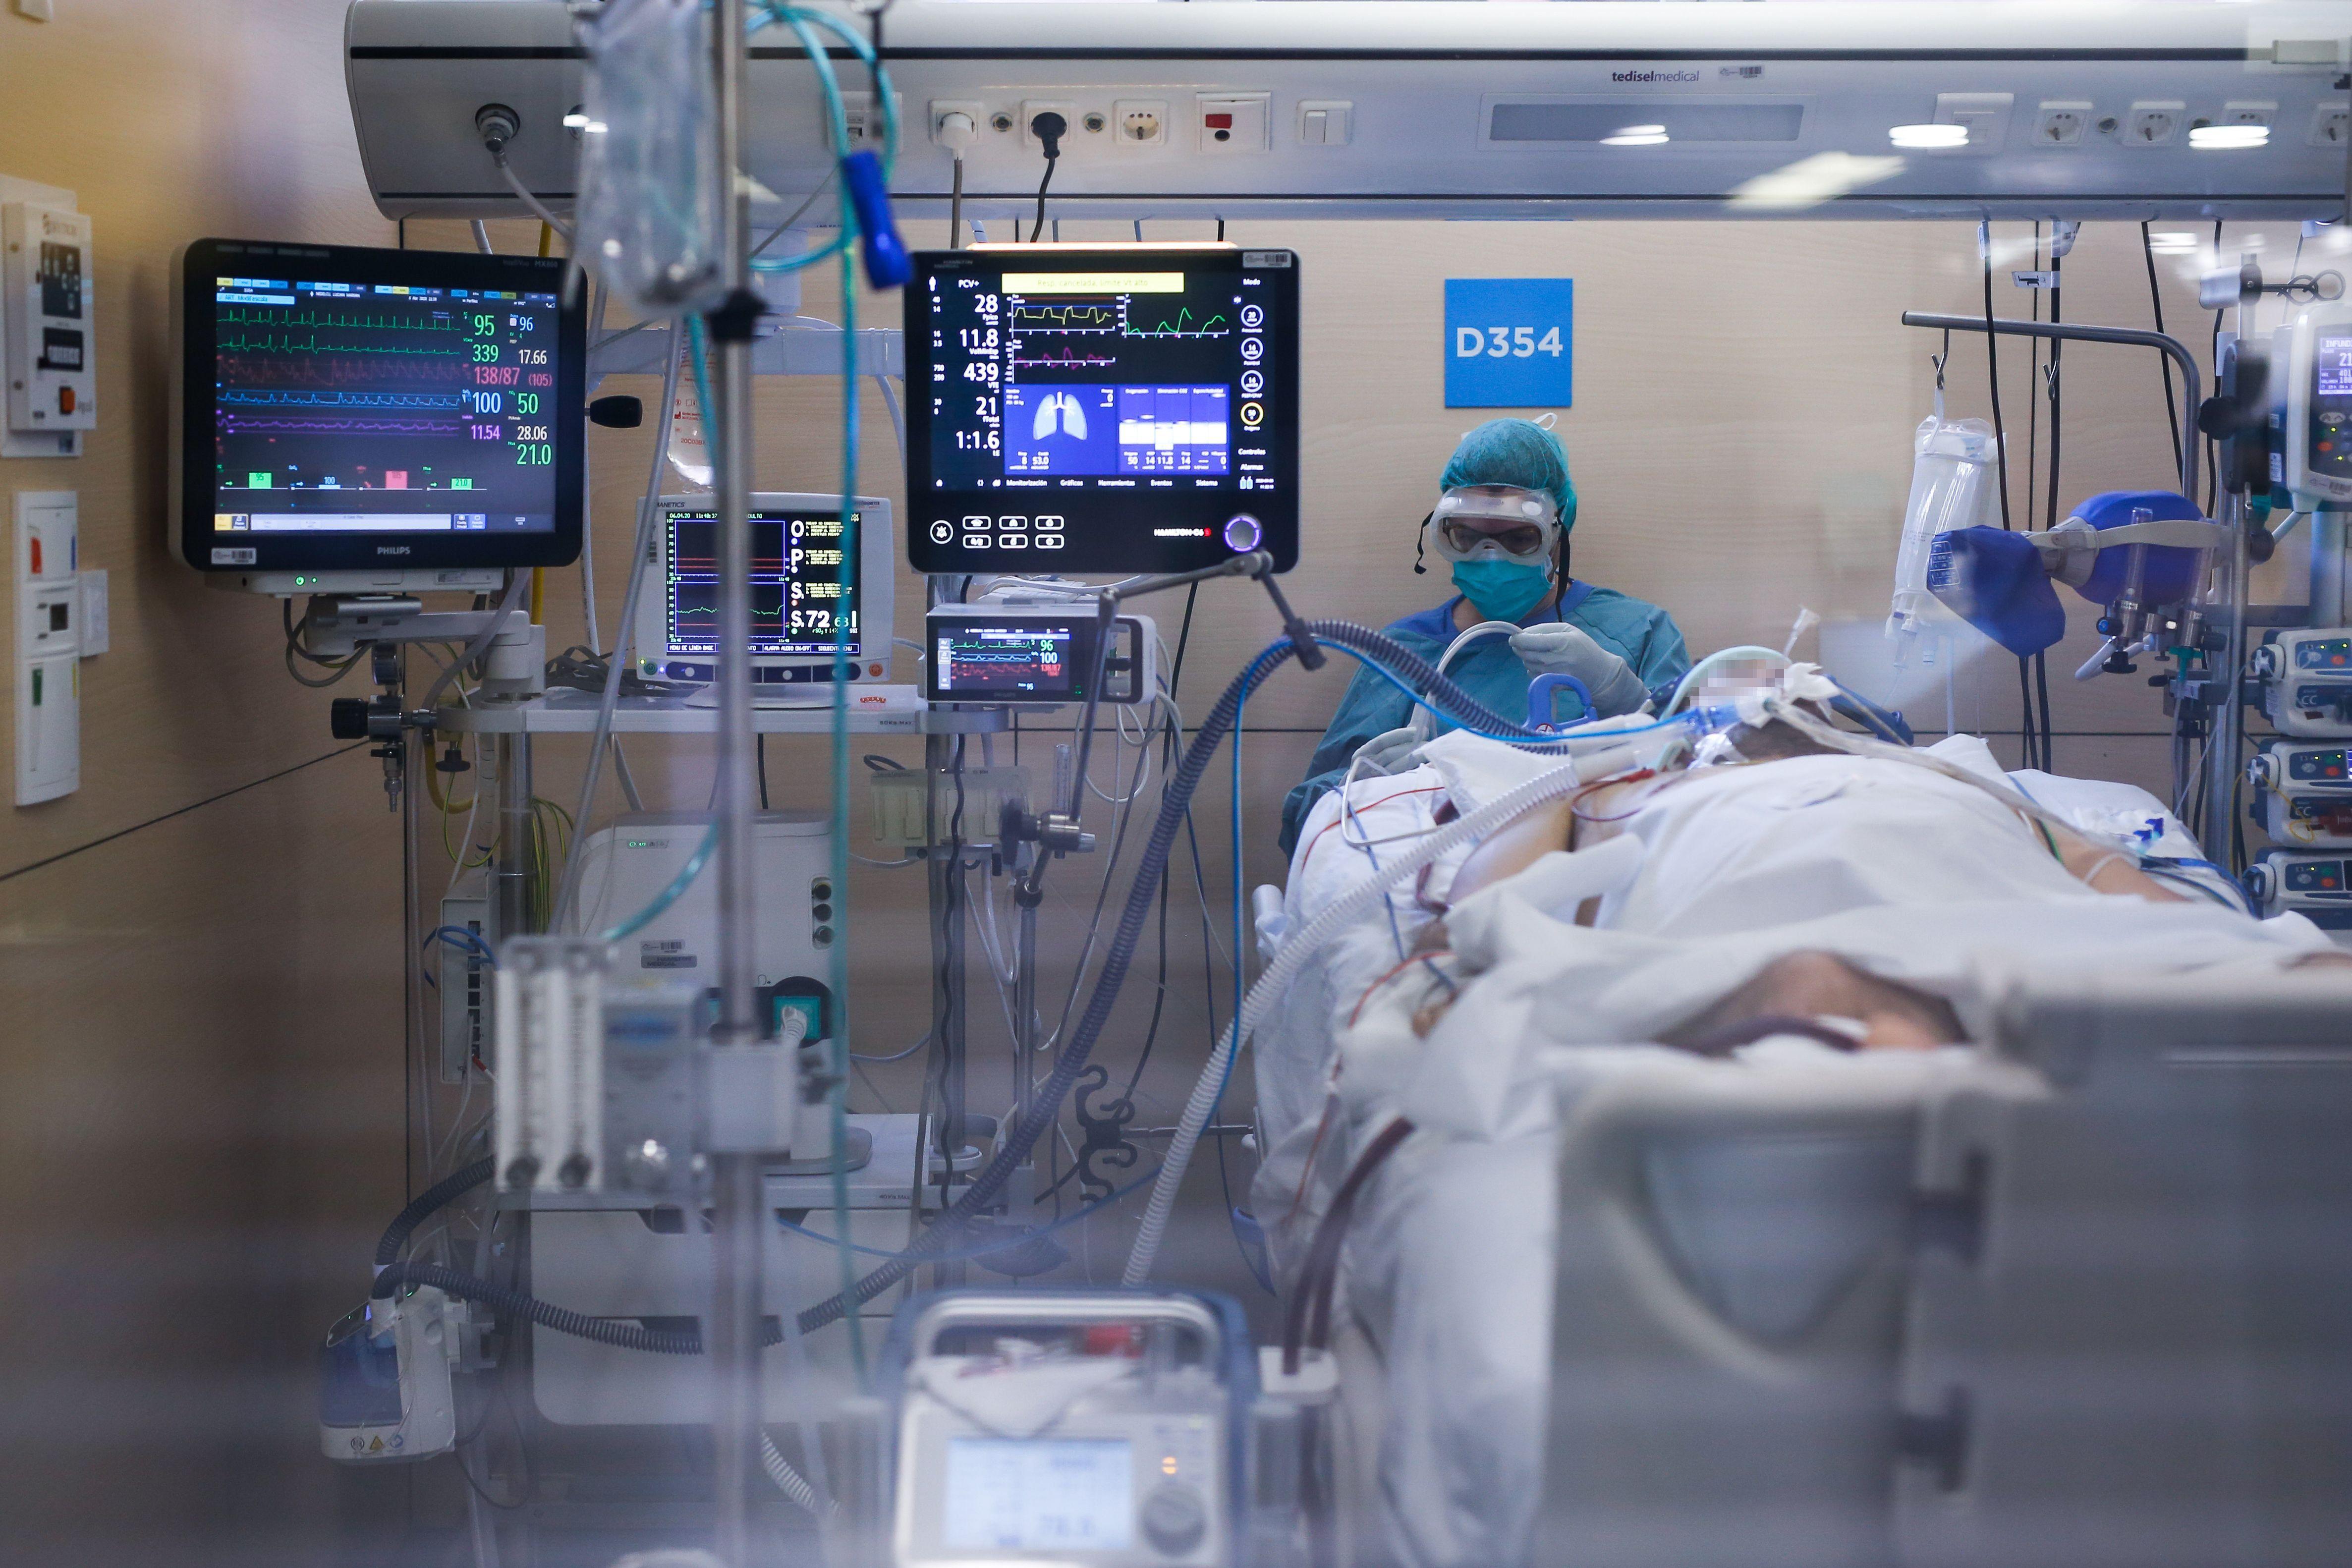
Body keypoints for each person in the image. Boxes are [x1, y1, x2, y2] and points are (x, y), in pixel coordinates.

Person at [1280, 416, 1690, 851]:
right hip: (1433, 877)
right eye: (1467, 536)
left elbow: (1701, 780)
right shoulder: (1404, 653)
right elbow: (1308, 823)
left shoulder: (1639, 632)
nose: (1490, 555)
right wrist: (1362, 784)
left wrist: (1622, 694)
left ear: (1557, 531)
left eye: (1518, 538)